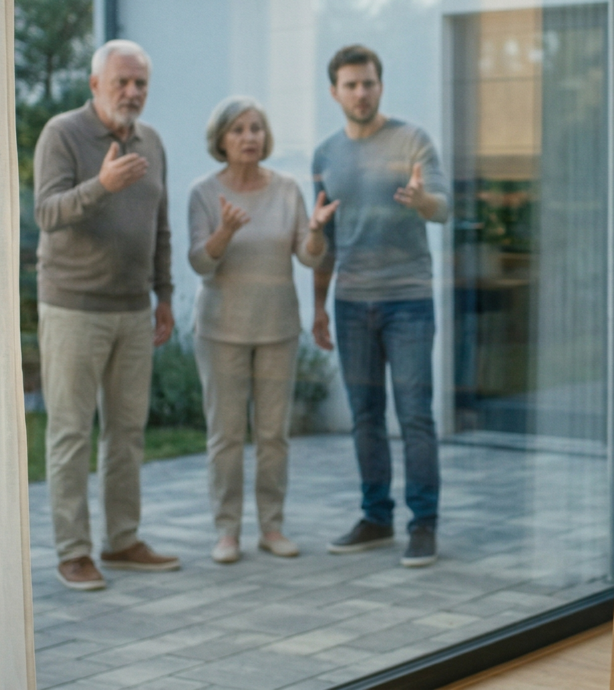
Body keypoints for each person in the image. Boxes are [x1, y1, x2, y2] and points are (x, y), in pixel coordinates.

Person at [34, 39, 182, 591]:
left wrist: (163, 295)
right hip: (73, 307)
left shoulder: (153, 142)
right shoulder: (62, 134)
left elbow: (160, 228)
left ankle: (122, 540)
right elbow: (47, 213)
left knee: (127, 432)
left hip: (132, 308)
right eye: (121, 81)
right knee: (71, 432)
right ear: (95, 84)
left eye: (140, 83)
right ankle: (72, 552)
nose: (132, 92)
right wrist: (102, 186)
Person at [311, 44, 449, 568]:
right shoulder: (325, 154)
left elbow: (442, 208)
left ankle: (424, 524)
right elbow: (322, 235)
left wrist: (422, 201)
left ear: (380, 85)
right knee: (365, 416)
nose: (361, 92)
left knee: (414, 415)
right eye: (350, 85)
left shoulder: (412, 140)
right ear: (335, 92)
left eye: (368, 83)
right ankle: (375, 517)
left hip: (408, 302)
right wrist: (319, 306)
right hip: (350, 304)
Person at [188, 97, 338, 563]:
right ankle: (227, 532)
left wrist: (314, 231)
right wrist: (226, 231)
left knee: (273, 434)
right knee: (226, 436)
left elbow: (309, 256)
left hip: (276, 329)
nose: (249, 137)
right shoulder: (203, 193)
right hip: (220, 331)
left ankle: (272, 528)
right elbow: (200, 263)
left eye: (256, 128)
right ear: (220, 140)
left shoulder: (288, 189)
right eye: (237, 130)